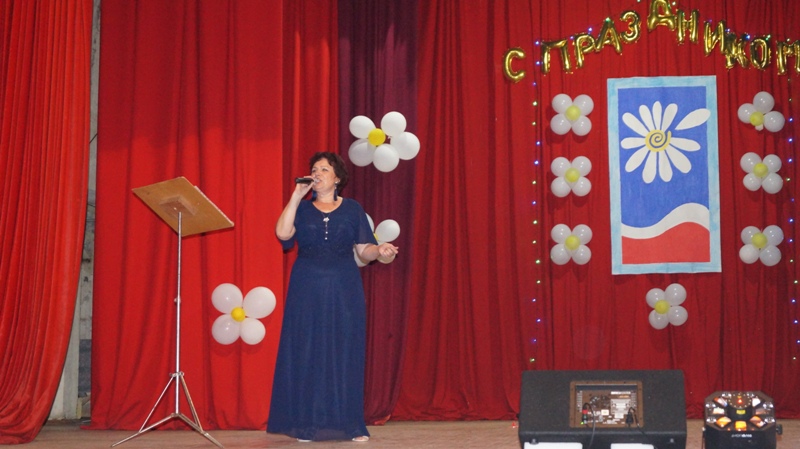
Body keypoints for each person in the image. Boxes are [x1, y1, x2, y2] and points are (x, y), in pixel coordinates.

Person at [267, 151, 399, 443]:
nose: (317, 173)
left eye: (324, 169)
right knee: (307, 350)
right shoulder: (302, 208)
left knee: (345, 351)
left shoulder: (352, 209)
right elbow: (283, 234)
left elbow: (364, 249)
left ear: (337, 178)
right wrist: (296, 196)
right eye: (314, 169)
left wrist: (379, 250)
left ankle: (351, 425)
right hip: (306, 287)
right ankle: (306, 424)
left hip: (344, 287)